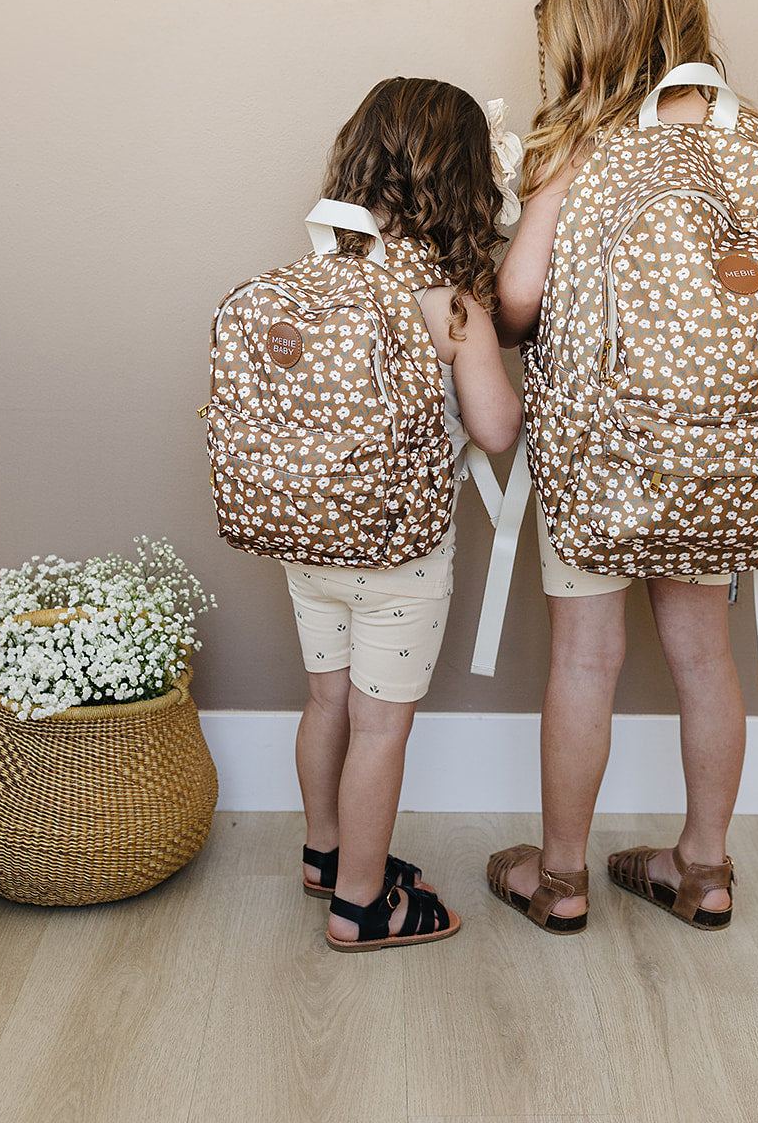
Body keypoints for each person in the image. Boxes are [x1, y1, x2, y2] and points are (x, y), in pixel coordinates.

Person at [486, 0, 758, 933]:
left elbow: (516, 303)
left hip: (605, 460)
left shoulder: (584, 149)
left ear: (579, 42)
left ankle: (558, 878)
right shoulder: (746, 143)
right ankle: (701, 867)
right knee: (703, 656)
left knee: (583, 659)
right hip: (727, 461)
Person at [285, 77, 522, 951]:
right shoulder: (445, 300)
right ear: (464, 180)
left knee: (324, 703)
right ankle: (360, 905)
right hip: (398, 553)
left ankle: (323, 857)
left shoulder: (315, 275)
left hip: (304, 534)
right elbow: (495, 428)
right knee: (381, 724)